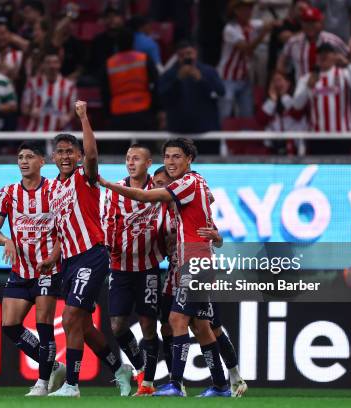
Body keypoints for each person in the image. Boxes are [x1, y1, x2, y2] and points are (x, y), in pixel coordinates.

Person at [100, 138, 232, 398]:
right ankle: (220, 385)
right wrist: (215, 236)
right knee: (200, 325)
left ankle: (175, 383)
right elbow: (209, 202)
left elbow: (145, 195)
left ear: (189, 159)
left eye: (177, 157)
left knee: (176, 320)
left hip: (194, 260)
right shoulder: (198, 182)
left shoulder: (187, 182)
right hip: (195, 257)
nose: (171, 162)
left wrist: (106, 184)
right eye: (167, 157)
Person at [46, 101, 133, 397]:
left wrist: (84, 117)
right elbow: (61, 231)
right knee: (82, 325)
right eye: (60, 151)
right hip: (68, 262)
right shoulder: (54, 190)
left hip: (92, 255)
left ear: (80, 155)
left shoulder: (85, 176)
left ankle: (72, 384)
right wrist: (52, 258)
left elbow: (94, 154)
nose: (65, 156)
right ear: (53, 157)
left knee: (69, 317)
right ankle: (119, 369)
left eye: (71, 151)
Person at [152, 165, 247, 398]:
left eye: (164, 183)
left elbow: (216, 238)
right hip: (174, 275)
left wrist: (218, 237)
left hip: (196, 270)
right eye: (156, 184)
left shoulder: (192, 207)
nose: (161, 188)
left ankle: (230, 376)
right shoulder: (158, 213)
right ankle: (200, 384)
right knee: (171, 326)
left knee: (205, 325)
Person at [0, 142, 67, 396]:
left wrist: (54, 257)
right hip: (20, 270)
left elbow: (67, 230)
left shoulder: (56, 190)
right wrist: (6, 240)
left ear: (42, 161)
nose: (23, 161)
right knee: (10, 325)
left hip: (48, 269)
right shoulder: (8, 193)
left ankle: (42, 383)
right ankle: (53, 366)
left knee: (44, 325)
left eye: (29, 157)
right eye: (20, 157)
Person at [102, 144, 165, 396]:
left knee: (149, 325)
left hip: (148, 268)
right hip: (120, 268)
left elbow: (170, 219)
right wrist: (109, 246)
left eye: (136, 158)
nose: (130, 162)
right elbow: (107, 221)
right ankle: (139, 369)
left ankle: (148, 383)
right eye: (128, 158)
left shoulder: (159, 190)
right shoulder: (115, 191)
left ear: (148, 163)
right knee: (117, 326)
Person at [292, 43, 351, 153]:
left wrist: (348, 64)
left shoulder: (344, 74)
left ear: (335, 56)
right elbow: (297, 105)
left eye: (327, 53)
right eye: (320, 54)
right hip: (317, 136)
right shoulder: (307, 78)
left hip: (342, 135)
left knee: (341, 169)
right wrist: (308, 87)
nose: (323, 56)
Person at [217, 0, 277, 119]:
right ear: (236, 11)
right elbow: (247, 49)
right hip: (227, 79)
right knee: (224, 114)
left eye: (250, 8)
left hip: (245, 79)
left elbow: (268, 23)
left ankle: (246, 137)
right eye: (244, 8)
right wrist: (263, 33)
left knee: (248, 115)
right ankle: (220, 137)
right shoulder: (230, 29)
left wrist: (276, 23)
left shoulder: (252, 24)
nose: (248, 11)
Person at [159, 40, 225, 133]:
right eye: (182, 55)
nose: (186, 57)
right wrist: (178, 80)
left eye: (189, 53)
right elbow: (163, 97)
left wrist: (201, 80)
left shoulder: (209, 72)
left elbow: (220, 92)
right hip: (178, 130)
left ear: (195, 52)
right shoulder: (169, 74)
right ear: (177, 56)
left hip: (206, 129)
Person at [102, 28, 158, 131]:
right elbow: (157, 83)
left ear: (117, 43)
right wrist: (155, 108)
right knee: (145, 146)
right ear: (133, 42)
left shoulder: (109, 63)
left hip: (118, 113)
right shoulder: (144, 58)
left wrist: (108, 115)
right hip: (143, 110)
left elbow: (105, 92)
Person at [277, 6, 348, 82]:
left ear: (321, 23)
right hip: (302, 89)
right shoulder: (293, 42)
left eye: (313, 22)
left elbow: (348, 57)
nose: (309, 26)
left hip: (328, 89)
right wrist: (286, 80)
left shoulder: (333, 40)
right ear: (302, 23)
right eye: (306, 22)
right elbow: (281, 62)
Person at [21, 47, 76, 131]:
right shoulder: (32, 84)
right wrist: (31, 112)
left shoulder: (69, 86)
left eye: (55, 62)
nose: (52, 66)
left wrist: (67, 118)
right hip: (36, 132)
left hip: (61, 133)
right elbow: (24, 109)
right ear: (43, 64)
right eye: (48, 63)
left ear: (60, 64)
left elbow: (73, 111)